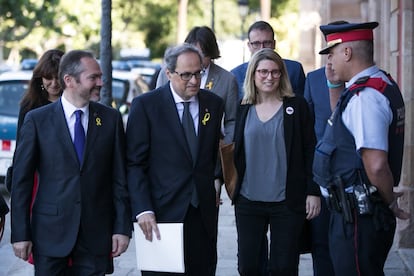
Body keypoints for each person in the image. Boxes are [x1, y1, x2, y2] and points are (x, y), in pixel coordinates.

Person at [11, 50, 131, 275]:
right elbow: (21, 181)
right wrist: (20, 233)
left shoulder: (110, 119)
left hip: (95, 236)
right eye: (93, 78)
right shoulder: (37, 120)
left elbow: (119, 178)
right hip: (49, 235)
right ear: (69, 80)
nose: (100, 83)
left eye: (100, 77)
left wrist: (122, 228)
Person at [313, 21, 409, 276]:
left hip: (358, 218)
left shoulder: (365, 97)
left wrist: (389, 204)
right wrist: (334, 85)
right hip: (355, 214)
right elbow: (343, 129)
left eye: (332, 54)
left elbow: (376, 164)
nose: (329, 62)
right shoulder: (377, 83)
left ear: (347, 53)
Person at [126, 43, 224, 276]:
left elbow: (210, 155)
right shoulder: (146, 106)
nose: (194, 80)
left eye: (198, 73)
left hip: (202, 214)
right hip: (161, 214)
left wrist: (217, 181)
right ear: (168, 74)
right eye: (186, 75)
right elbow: (134, 163)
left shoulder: (214, 104)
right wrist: (143, 209)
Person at [232, 48, 321, 275]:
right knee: (248, 266)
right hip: (248, 200)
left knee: (284, 267)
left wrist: (313, 191)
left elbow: (310, 149)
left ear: (282, 75)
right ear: (253, 75)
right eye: (263, 72)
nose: (269, 77)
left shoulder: (297, 107)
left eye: (275, 72)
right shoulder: (242, 108)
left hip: (287, 201)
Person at [156, 26, 238, 144]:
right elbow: (158, 106)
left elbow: (232, 120)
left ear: (211, 53)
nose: (196, 58)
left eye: (202, 54)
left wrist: (225, 145)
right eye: (192, 52)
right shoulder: (168, 73)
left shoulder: (227, 80)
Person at [6, 49, 64, 192]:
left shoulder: (74, 104)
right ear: (40, 78)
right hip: (38, 177)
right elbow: (22, 146)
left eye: (58, 77)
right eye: (48, 78)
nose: (54, 83)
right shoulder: (30, 105)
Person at [304, 65, 341, 276]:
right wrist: (312, 188)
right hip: (321, 179)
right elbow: (307, 134)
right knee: (321, 244)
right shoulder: (314, 78)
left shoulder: (369, 81)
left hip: (356, 180)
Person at [231, 20, 305, 99]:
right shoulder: (235, 75)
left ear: (274, 44)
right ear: (249, 46)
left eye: (267, 43)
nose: (262, 48)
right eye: (256, 43)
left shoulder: (295, 70)